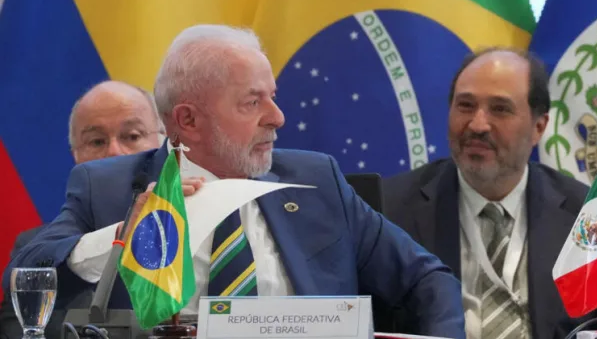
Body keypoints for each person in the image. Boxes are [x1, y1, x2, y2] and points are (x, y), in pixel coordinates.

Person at [2, 25, 465, 339]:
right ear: (188, 120)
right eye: (252, 103)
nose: (277, 117)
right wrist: (122, 236)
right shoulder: (107, 186)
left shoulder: (316, 180)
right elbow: (25, 273)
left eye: (273, 98)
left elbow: (429, 280)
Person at [383, 48, 597, 339]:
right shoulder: (389, 210)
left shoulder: (587, 213)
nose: (478, 125)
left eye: (500, 109)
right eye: (466, 106)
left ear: (538, 127)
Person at [1, 80, 166, 339]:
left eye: (132, 136)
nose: (114, 152)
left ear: (163, 141)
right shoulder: (35, 249)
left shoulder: (194, 227)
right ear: (75, 155)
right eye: (97, 141)